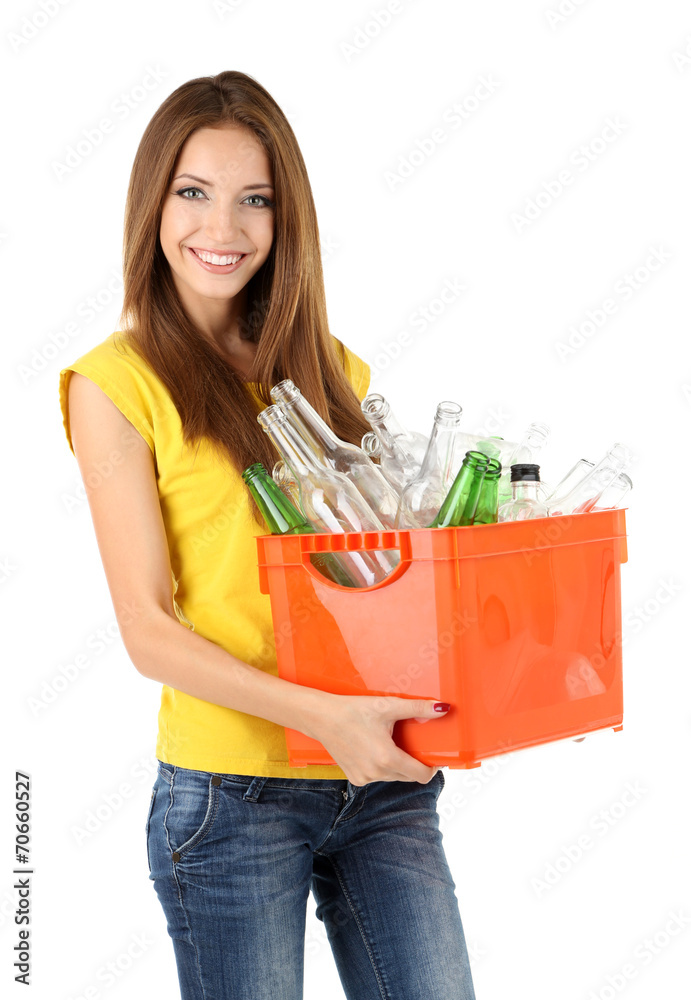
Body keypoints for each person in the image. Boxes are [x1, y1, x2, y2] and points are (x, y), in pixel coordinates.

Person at [58, 70, 477, 1000]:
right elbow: (146, 628)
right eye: (193, 193)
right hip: (232, 794)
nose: (223, 229)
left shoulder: (331, 371)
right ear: (151, 205)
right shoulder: (115, 387)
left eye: (255, 200)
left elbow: (384, 578)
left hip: (383, 781)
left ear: (287, 221)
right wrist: (326, 718)